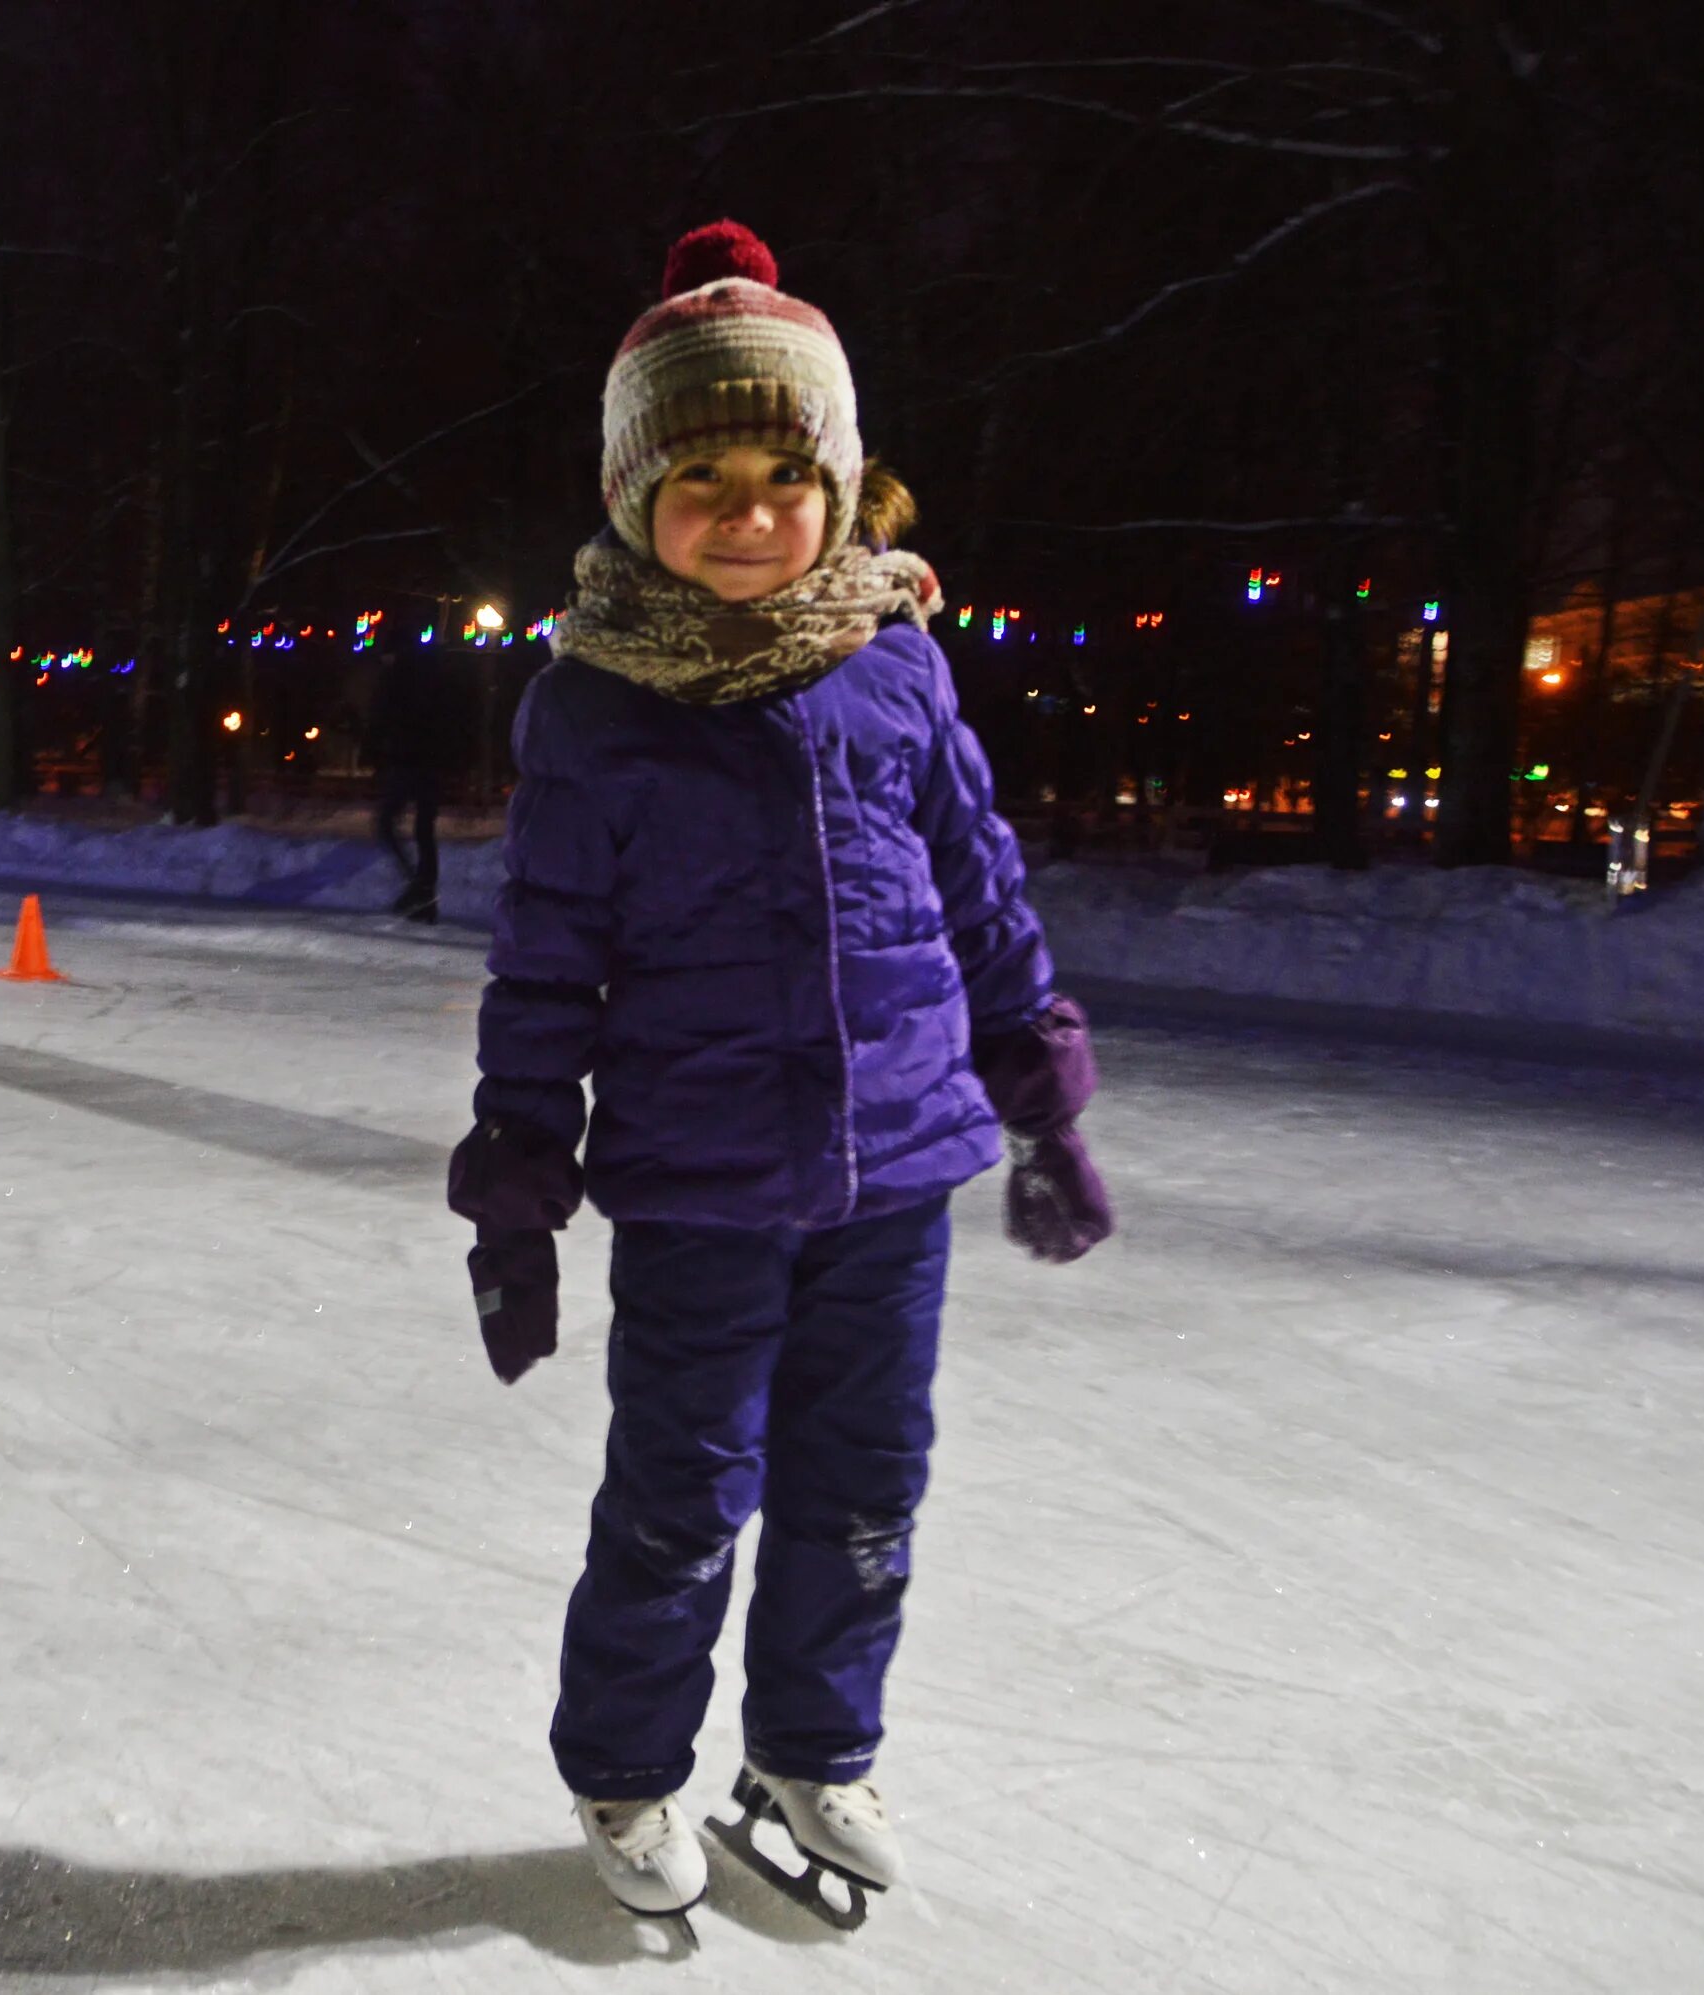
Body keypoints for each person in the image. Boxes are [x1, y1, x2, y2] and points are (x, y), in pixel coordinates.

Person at [448, 221, 1114, 1925]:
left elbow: (980, 894)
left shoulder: (896, 668)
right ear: (631, 499)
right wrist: (521, 1180)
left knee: (868, 1490)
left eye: (783, 473)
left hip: (896, 1177)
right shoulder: (594, 711)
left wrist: (1040, 1099)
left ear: (841, 483)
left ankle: (814, 1746)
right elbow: (544, 961)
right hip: (701, 1185)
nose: (748, 514)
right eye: (702, 478)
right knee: (682, 1497)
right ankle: (627, 1766)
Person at [367, 637, 457, 919]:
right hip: (431, 763)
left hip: (405, 761)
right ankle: (425, 894)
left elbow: (381, 719)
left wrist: (375, 750)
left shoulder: (395, 680)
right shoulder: (432, 679)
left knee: (386, 823)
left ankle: (416, 887)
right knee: (423, 831)